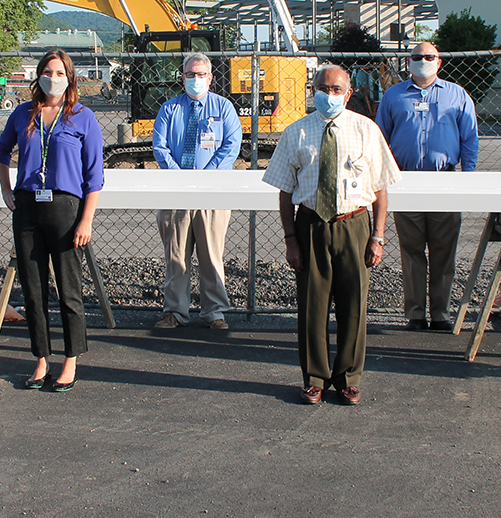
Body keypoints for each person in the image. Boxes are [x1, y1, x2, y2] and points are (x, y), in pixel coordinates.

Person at [262, 64, 401, 406]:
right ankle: (315, 378)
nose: (330, 95)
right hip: (311, 226)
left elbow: (380, 188)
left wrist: (378, 236)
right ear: (313, 91)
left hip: (354, 226)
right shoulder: (296, 132)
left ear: (348, 93)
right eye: (323, 89)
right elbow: (284, 191)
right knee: (313, 306)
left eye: (337, 89)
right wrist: (290, 239)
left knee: (354, 305)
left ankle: (348, 378)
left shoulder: (366, 130)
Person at [0, 49, 103, 392]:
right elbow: (0, 153)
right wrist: (6, 189)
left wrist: (86, 220)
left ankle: (70, 360)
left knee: (69, 290)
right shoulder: (22, 114)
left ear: (69, 78)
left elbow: (94, 176)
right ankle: (41, 359)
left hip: (65, 208)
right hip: (27, 206)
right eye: (47, 72)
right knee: (33, 290)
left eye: (59, 73)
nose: (52, 78)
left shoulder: (83, 117)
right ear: (38, 75)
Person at [376, 41, 479, 332]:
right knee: (411, 251)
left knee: (444, 250)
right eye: (417, 56)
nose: (423, 60)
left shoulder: (457, 95)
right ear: (409, 61)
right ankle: (416, 314)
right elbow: (380, 137)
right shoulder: (393, 96)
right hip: (405, 180)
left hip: (445, 180)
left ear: (439, 61)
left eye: (428, 56)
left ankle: (441, 313)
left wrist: (467, 176)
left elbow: (469, 137)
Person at [150, 52, 243, 330]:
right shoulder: (169, 109)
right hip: (175, 193)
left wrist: (205, 177)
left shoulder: (223, 108)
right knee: (176, 257)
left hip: (212, 193)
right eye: (190, 74)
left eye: (201, 74)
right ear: (183, 77)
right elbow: (160, 147)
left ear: (210, 78)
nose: (196, 79)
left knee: (211, 256)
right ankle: (175, 312)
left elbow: (231, 145)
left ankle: (214, 313)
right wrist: (181, 178)